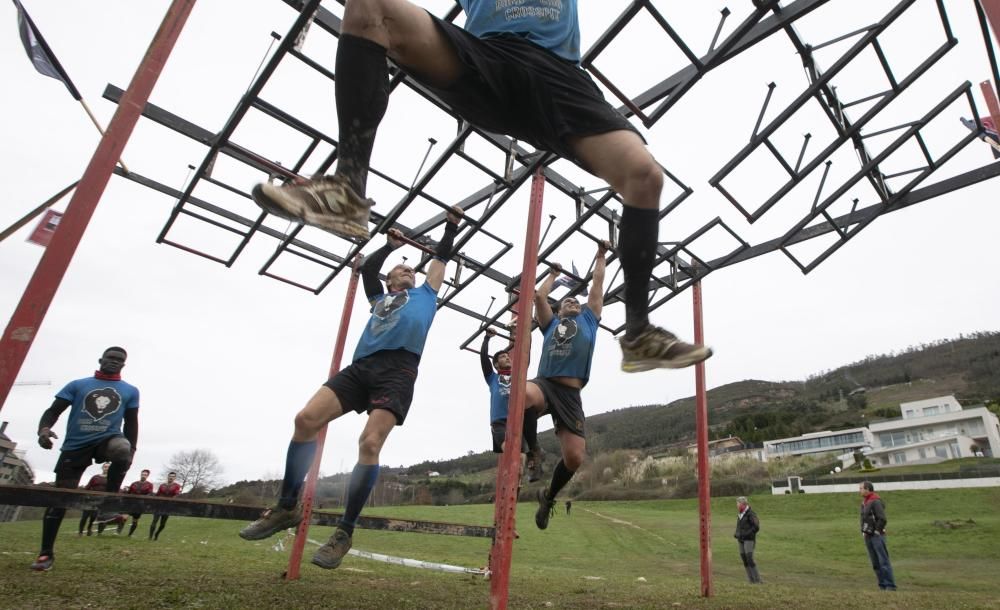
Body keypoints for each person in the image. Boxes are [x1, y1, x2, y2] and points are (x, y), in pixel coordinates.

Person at [250, 0, 712, 374]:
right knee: (369, 6)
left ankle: (637, 332)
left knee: (646, 176)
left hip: (559, 80)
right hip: (485, 61)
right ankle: (348, 187)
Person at [240, 210, 461, 571]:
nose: (409, 272)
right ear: (390, 281)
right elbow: (367, 271)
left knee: (370, 443)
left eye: (411, 271)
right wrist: (389, 246)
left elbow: (441, 259)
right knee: (305, 419)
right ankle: (286, 506)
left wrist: (451, 226)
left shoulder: (426, 294)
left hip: (398, 370)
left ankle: (345, 531)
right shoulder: (378, 299)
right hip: (361, 368)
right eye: (402, 271)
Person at [522, 241, 608, 530]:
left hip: (571, 395)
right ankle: (533, 451)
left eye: (575, 300)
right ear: (558, 311)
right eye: (565, 301)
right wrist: (551, 275)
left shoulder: (589, 319)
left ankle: (548, 498)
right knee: (522, 396)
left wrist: (600, 255)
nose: (571, 302)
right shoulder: (550, 325)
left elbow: (597, 284)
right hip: (546, 384)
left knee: (574, 458)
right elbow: (538, 298)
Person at [30, 346, 139, 571]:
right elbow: (53, 411)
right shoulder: (78, 385)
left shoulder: (130, 391)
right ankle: (45, 553)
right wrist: (44, 430)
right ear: (101, 359)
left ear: (124, 365)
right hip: (75, 445)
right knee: (60, 500)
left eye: (119, 360)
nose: (114, 362)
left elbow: (131, 423)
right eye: (110, 358)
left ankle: (108, 505)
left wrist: (132, 451)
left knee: (121, 449)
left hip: (107, 440)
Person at [481, 326, 542, 482]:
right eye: (502, 357)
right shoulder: (492, 378)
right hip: (499, 422)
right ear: (496, 364)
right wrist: (487, 338)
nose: (507, 357)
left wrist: (526, 334)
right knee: (510, 451)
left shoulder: (518, 376)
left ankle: (517, 480)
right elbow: (483, 359)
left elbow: (526, 356)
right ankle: (512, 476)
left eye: (508, 356)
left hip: (516, 422)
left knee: (520, 460)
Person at [860, 481, 896, 591]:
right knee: (875, 562)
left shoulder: (875, 501)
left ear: (867, 489)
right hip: (868, 535)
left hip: (877, 536)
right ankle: (882, 585)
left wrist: (877, 531)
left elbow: (882, 518)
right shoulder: (864, 502)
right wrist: (864, 531)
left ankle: (890, 585)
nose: (859, 490)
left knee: (883, 561)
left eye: (861, 488)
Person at [77, 462, 110, 536]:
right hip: (90, 499)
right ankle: (80, 532)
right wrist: (85, 495)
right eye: (105, 466)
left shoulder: (111, 478)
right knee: (85, 516)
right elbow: (88, 487)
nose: (106, 468)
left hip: (101, 500)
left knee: (93, 516)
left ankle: (89, 529)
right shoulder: (95, 477)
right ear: (102, 468)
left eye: (108, 467)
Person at [734, 496, 762, 584]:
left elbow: (756, 527)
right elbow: (739, 526)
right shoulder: (740, 514)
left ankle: (758, 580)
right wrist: (736, 533)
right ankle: (751, 580)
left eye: (738, 503)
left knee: (749, 558)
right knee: (744, 558)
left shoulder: (751, 513)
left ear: (742, 504)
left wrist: (747, 534)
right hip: (741, 540)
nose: (737, 505)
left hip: (749, 540)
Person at [149, 471, 183, 540]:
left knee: (162, 524)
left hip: (167, 507)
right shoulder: (162, 485)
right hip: (159, 506)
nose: (171, 477)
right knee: (154, 521)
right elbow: (158, 494)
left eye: (173, 476)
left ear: (175, 478)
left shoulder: (177, 486)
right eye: (170, 476)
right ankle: (150, 537)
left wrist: (172, 500)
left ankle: (157, 534)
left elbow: (176, 495)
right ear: (168, 477)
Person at [121, 469, 154, 537]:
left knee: (135, 520)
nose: (143, 476)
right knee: (124, 518)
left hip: (140, 505)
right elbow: (129, 493)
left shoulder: (149, 485)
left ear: (147, 476)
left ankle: (129, 534)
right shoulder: (134, 483)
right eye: (142, 474)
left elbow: (150, 494)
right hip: (130, 503)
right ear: (140, 474)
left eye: (145, 475)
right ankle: (118, 531)